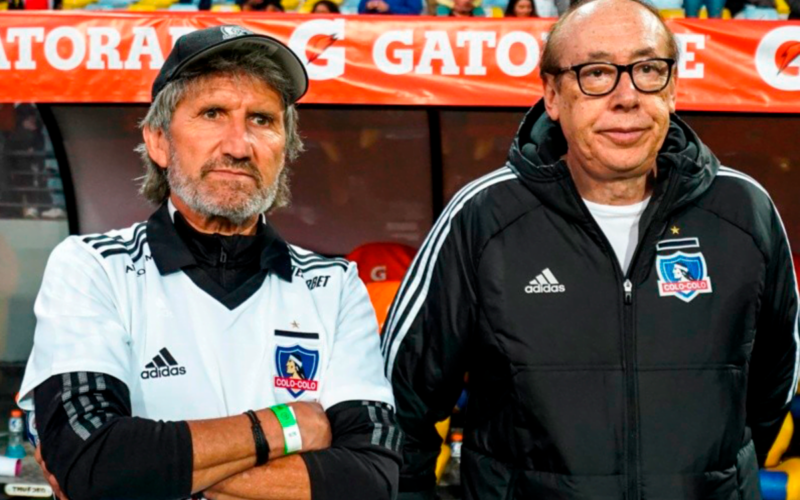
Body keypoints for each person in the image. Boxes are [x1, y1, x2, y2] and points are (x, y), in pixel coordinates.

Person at [381, 0, 799, 498]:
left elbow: (769, 396)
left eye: (647, 70)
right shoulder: (482, 219)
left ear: (672, 89)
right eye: (596, 72)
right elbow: (398, 408)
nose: (626, 96)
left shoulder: (744, 212)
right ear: (552, 96)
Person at [19, 25, 401, 500]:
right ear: (159, 142)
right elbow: (92, 463)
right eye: (213, 113)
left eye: (262, 119)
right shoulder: (93, 267)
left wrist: (153, 474)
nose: (239, 145)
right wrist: (288, 425)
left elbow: (371, 480)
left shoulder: (335, 285)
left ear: (286, 149)